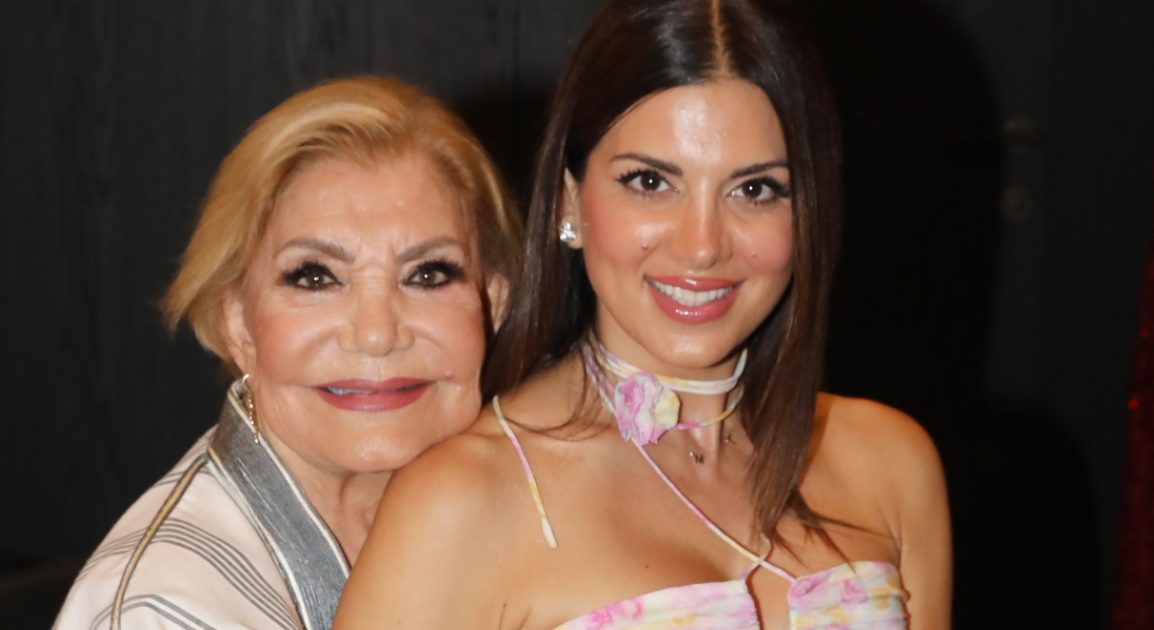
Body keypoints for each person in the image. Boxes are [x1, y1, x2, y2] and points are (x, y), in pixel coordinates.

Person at [337, 0, 951, 627]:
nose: (702, 245)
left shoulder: (887, 464)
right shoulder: (462, 502)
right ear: (569, 201)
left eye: (754, 190)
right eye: (651, 183)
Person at [54, 76, 521, 630]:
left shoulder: (533, 525)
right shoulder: (163, 612)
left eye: (428, 274)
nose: (376, 334)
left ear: (492, 305)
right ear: (237, 325)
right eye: (315, 277)